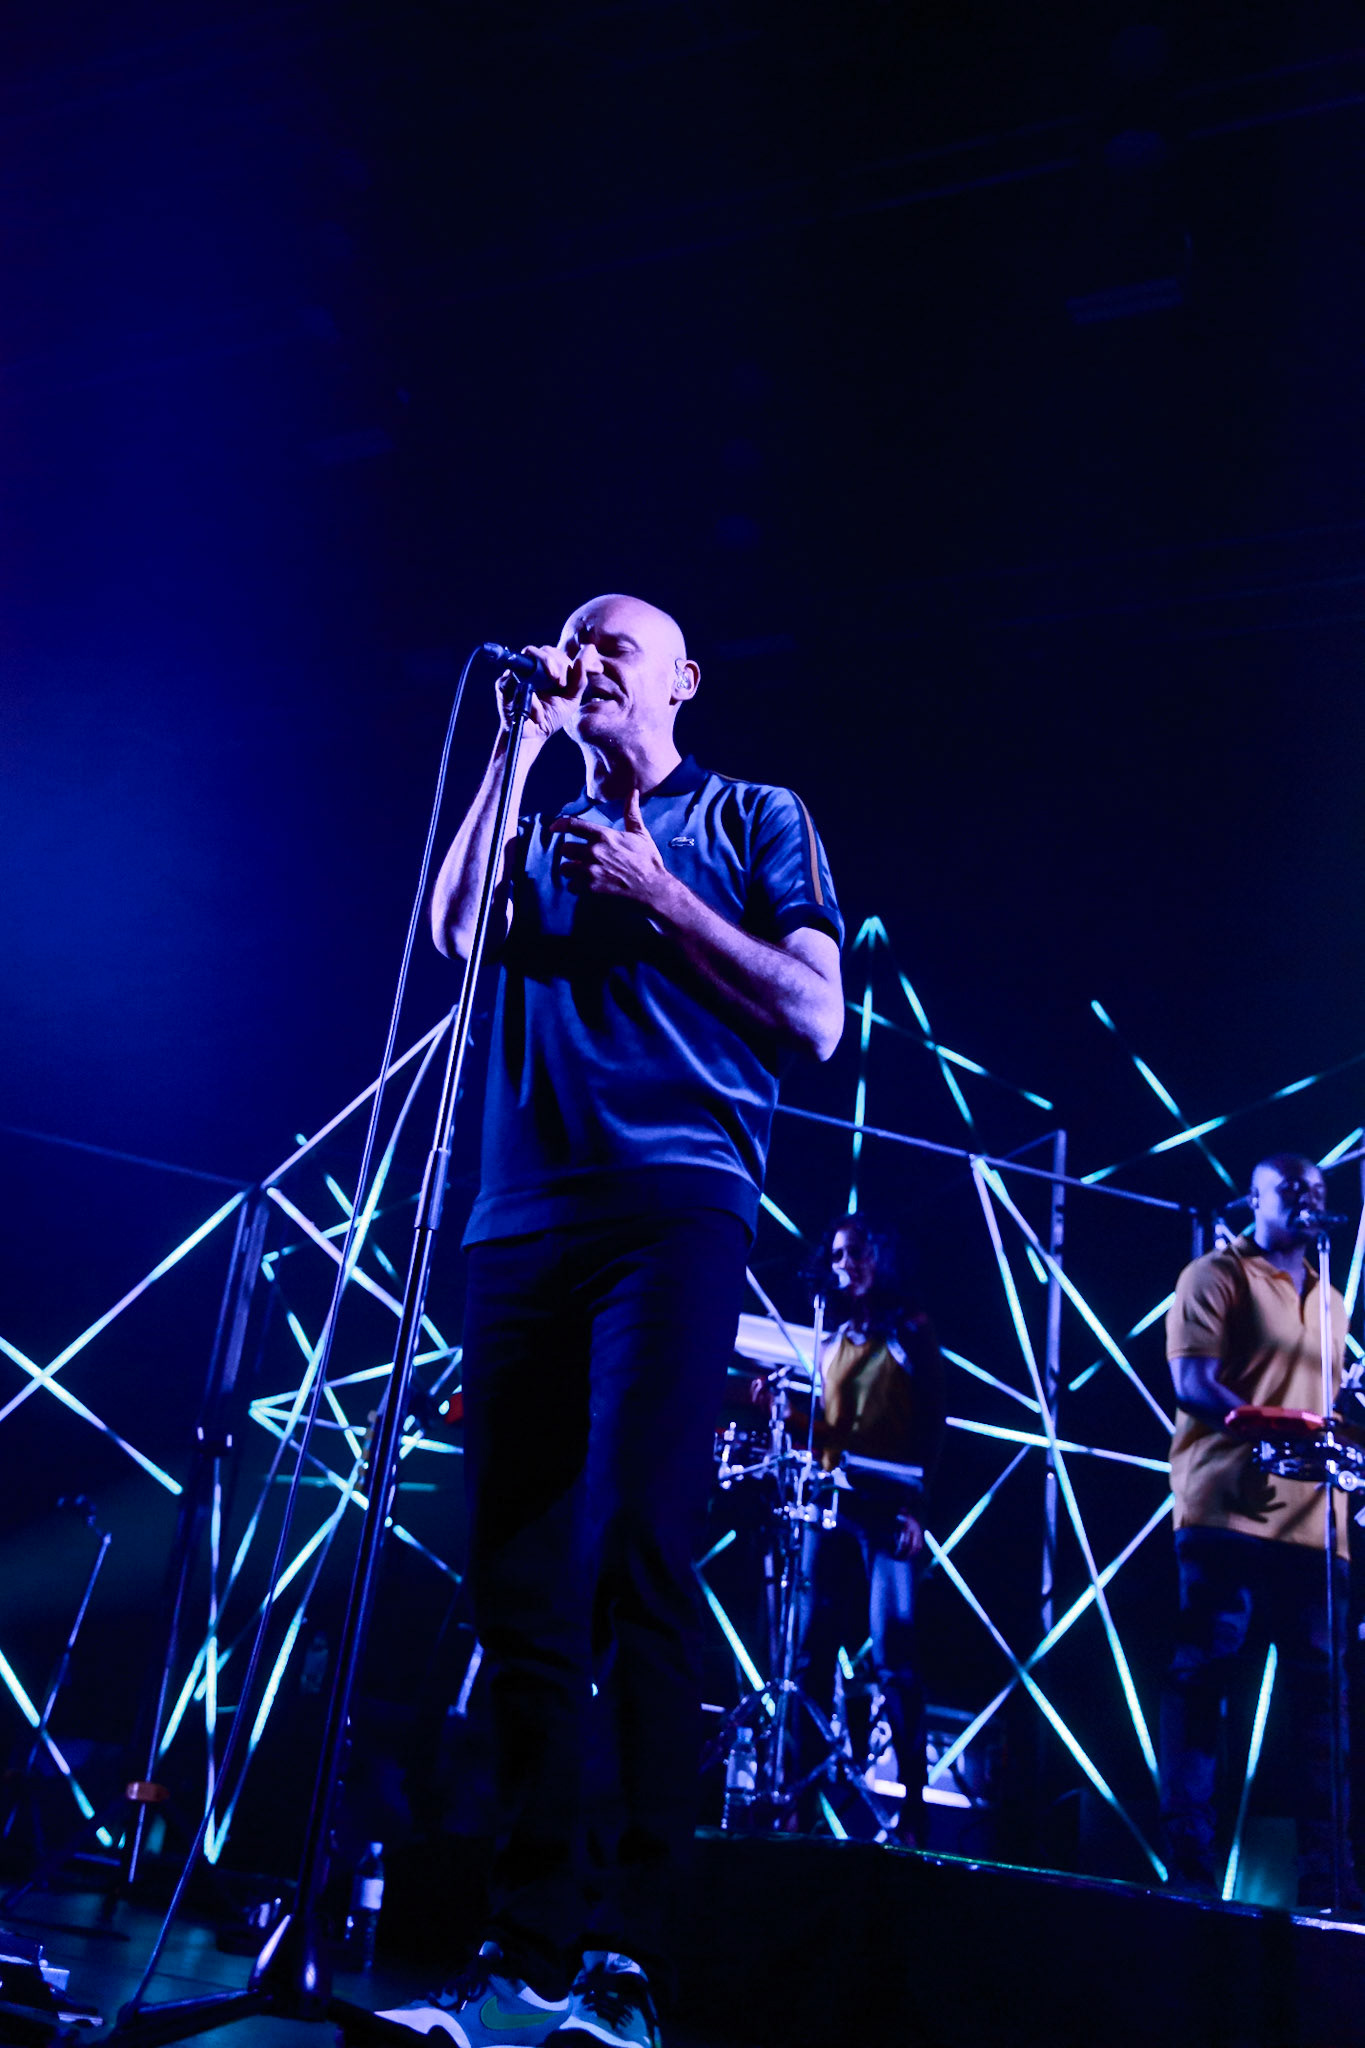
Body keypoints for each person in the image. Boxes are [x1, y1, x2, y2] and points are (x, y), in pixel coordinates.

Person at [381, 593, 844, 2046]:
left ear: (684, 682)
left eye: (613, 648)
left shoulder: (756, 816)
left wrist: (661, 899)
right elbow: (456, 934)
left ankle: (629, 1960)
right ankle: (527, 1952)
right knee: (515, 1593)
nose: (583, 662)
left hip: (676, 1208)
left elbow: (817, 1020)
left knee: (640, 1555)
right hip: (519, 1223)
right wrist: (513, 752)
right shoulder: (528, 821)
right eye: (569, 644)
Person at [1160, 1153, 1352, 1907]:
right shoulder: (1214, 1276)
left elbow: (1332, 1407)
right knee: (1204, 1682)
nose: (1308, 1199)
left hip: (1316, 1528)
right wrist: (1266, 1427)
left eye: (1318, 1191)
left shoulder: (1332, 1299)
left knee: (1320, 1707)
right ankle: (1189, 1867)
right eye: (1291, 1190)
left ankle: (1326, 1874)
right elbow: (1192, 1383)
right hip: (1227, 1514)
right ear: (1254, 1201)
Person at [789, 1215, 944, 1838]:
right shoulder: (833, 1336)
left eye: (853, 1253)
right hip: (831, 1501)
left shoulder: (911, 1331)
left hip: (890, 1505)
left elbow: (933, 1422)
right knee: (807, 1654)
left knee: (894, 1653)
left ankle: (913, 1801)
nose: (843, 1264)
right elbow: (830, 1429)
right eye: (835, 1255)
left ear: (879, 1256)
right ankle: (804, 1791)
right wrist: (789, 1410)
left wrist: (919, 1507)